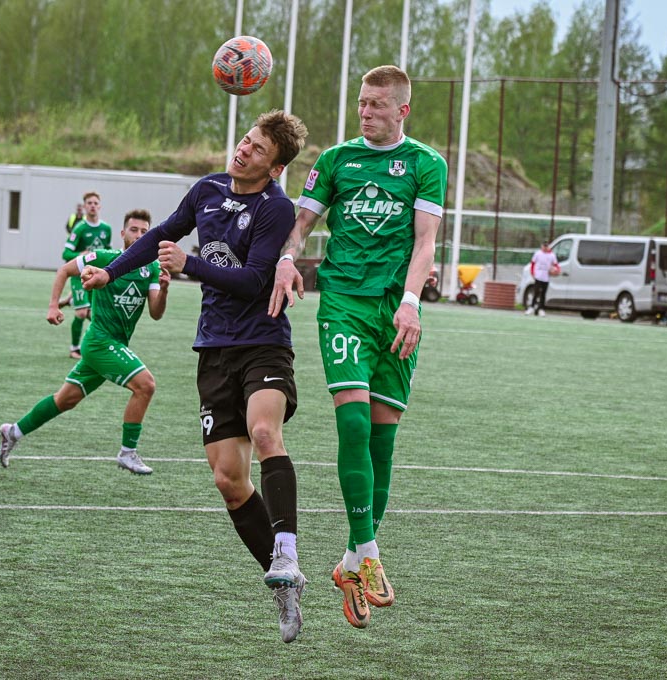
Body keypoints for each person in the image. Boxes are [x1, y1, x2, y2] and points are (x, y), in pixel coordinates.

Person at [80, 110, 309, 644]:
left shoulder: (276, 208)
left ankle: (287, 548)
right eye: (246, 140)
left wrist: (190, 266)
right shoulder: (206, 189)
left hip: (263, 343)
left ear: (275, 168)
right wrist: (110, 271)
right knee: (229, 481)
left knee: (264, 432)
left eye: (257, 149)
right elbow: (162, 235)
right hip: (214, 349)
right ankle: (283, 583)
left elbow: (253, 280)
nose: (243, 150)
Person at [269, 65, 447, 629]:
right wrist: (287, 258)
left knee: (382, 440)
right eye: (362, 102)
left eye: (376, 104)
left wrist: (411, 302)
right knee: (352, 422)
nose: (365, 112)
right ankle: (369, 552)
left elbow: (426, 242)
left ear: (402, 110)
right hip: (344, 301)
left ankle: (350, 562)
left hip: (396, 310)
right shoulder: (336, 160)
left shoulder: (426, 164)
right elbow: (301, 224)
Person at [0, 209, 168, 476]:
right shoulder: (104, 258)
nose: (139, 235)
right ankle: (127, 453)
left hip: (114, 345)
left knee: (65, 400)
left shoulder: (152, 268)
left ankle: (13, 432)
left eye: (145, 232)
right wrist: (53, 305)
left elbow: (156, 313)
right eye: (134, 230)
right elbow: (65, 270)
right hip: (99, 342)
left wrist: (165, 289)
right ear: (122, 233)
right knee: (146, 385)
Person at [63, 192, 114, 358]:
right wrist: (81, 255)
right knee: (81, 313)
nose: (92, 206)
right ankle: (74, 349)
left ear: (100, 206)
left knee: (95, 315)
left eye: (95, 203)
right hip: (79, 276)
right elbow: (66, 254)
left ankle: (71, 299)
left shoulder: (106, 229)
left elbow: (108, 251)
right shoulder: (80, 228)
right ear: (85, 206)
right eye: (89, 203)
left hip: (96, 277)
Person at [525, 241, 559, 317]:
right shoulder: (538, 254)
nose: (545, 248)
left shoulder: (552, 255)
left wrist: (556, 271)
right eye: (544, 246)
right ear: (542, 246)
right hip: (538, 276)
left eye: (546, 246)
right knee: (536, 292)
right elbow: (533, 263)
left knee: (543, 294)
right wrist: (533, 273)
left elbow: (556, 265)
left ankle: (541, 309)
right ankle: (532, 307)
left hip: (546, 277)